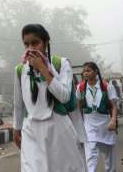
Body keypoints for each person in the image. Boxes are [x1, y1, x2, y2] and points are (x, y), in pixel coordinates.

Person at [13, 24, 86, 172]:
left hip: (58, 129)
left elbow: (64, 96)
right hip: (31, 131)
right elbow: (18, 103)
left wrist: (44, 69)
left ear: (46, 43)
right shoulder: (20, 69)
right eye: (26, 44)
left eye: (35, 43)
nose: (30, 48)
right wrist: (17, 128)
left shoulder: (61, 64)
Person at [77, 62, 118, 172]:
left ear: (95, 72)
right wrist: (79, 123)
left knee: (109, 157)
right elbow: (79, 105)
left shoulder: (106, 87)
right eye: (84, 71)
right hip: (89, 125)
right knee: (90, 155)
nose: (85, 73)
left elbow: (114, 106)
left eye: (88, 71)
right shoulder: (80, 87)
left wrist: (113, 120)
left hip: (105, 125)